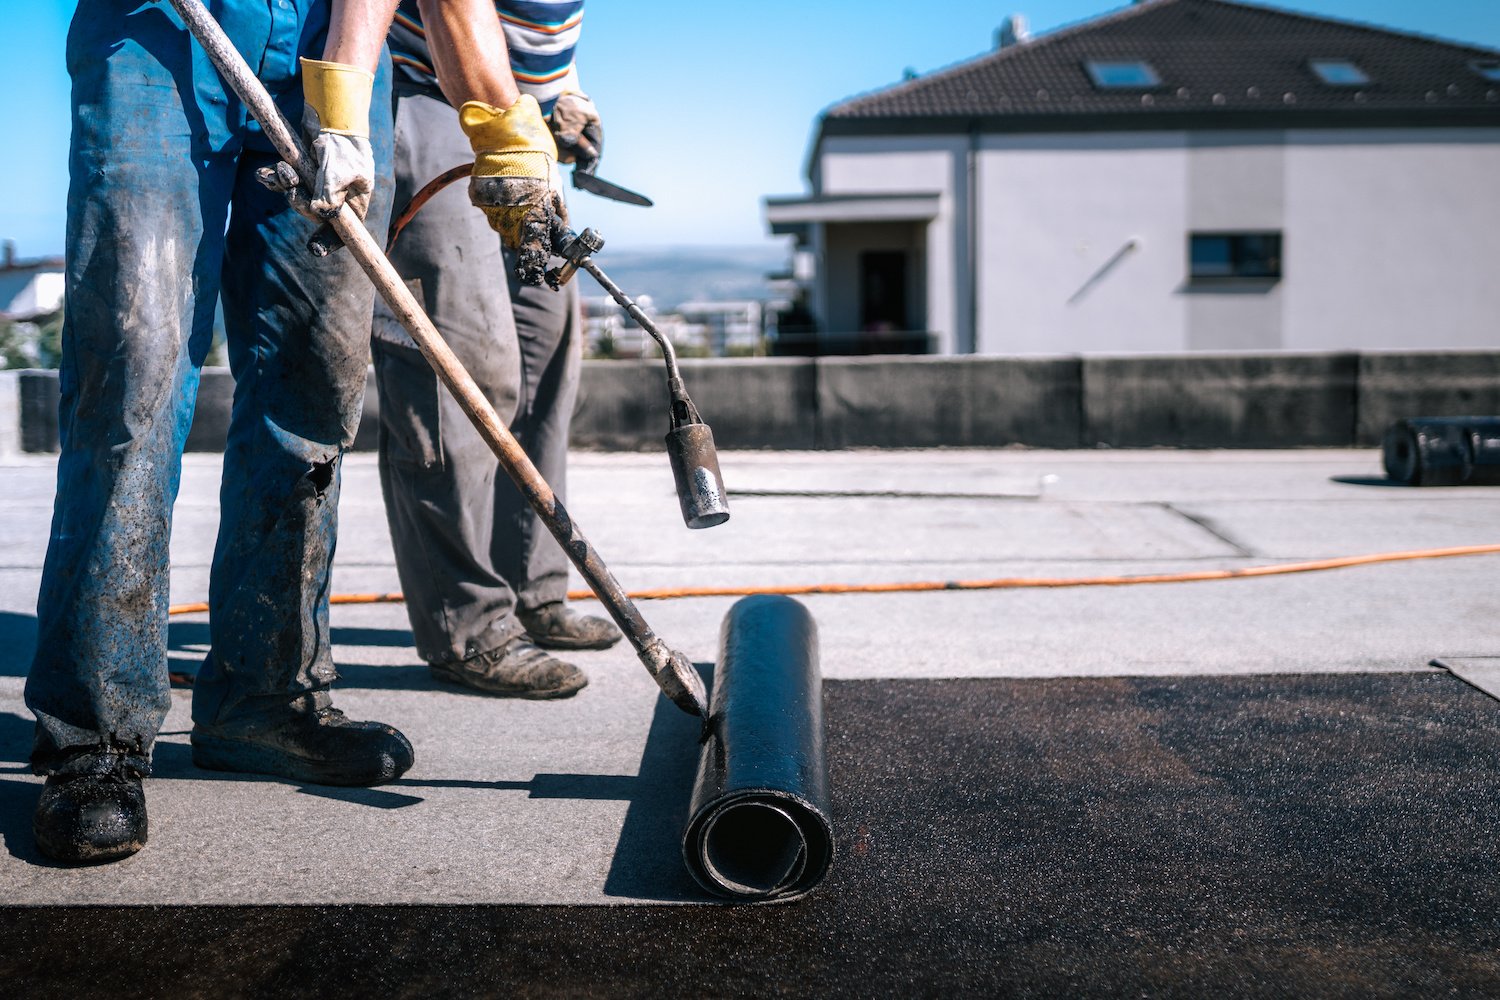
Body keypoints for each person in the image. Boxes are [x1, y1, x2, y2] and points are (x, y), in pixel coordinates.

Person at [27, 0, 557, 866]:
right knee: (137, 365)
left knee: (314, 378)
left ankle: (264, 700)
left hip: (322, 44)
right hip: (160, 37)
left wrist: (496, 132)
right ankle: (96, 733)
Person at [374, 0, 620, 701]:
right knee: (459, 370)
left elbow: (532, 23)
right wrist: (504, 112)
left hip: (518, 118)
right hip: (429, 96)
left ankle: (532, 588)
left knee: (546, 362)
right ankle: (468, 627)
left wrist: (561, 91)